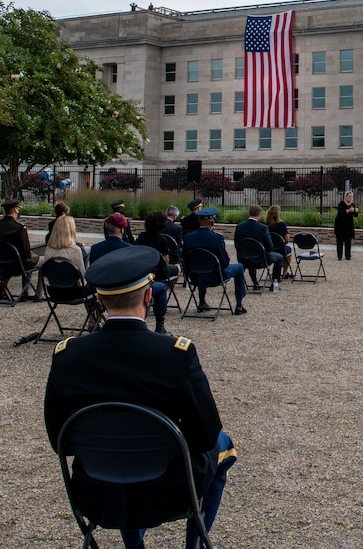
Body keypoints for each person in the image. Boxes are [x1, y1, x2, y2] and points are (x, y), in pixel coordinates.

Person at [43, 246, 236, 549]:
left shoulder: (68, 356)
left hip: (97, 489)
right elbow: (206, 434)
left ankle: (133, 543)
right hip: (169, 489)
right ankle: (195, 543)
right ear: (149, 297)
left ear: (98, 301)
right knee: (224, 445)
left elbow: (59, 440)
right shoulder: (176, 355)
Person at [92, 214, 174, 334]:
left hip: (102, 290)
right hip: (128, 291)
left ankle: (96, 322)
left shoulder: (95, 248)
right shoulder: (129, 249)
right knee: (161, 288)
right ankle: (160, 327)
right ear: (122, 229)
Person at [183, 208, 248, 315]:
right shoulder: (216, 238)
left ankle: (202, 302)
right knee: (240, 267)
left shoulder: (188, 238)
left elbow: (185, 259)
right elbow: (225, 262)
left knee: (201, 267)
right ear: (212, 221)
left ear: (199, 221)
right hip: (216, 276)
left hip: (194, 276)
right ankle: (239, 305)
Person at [0, 199, 41, 302]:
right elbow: (26, 252)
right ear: (16, 210)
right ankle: (36, 293)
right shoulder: (19, 228)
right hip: (17, 264)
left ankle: (0, 288)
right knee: (41, 261)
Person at [234, 204, 284, 291]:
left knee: (250, 255)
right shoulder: (263, 228)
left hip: (244, 258)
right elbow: (270, 247)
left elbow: (236, 244)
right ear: (259, 214)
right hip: (261, 259)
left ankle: (255, 283)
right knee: (279, 257)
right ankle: (275, 283)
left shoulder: (239, 227)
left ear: (249, 213)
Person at [264, 205, 293, 278]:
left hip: (267, 249)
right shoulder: (281, 225)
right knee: (288, 250)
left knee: (285, 251)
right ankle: (285, 272)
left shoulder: (264, 225)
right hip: (280, 248)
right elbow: (287, 240)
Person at [334, 191, 359, 261]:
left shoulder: (353, 205)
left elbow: (355, 215)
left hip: (349, 225)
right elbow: (340, 213)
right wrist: (348, 210)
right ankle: (339, 255)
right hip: (340, 225)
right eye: (349, 196)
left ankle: (348, 255)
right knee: (340, 241)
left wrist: (356, 211)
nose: (350, 198)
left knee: (348, 241)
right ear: (346, 196)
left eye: (352, 196)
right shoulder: (341, 204)